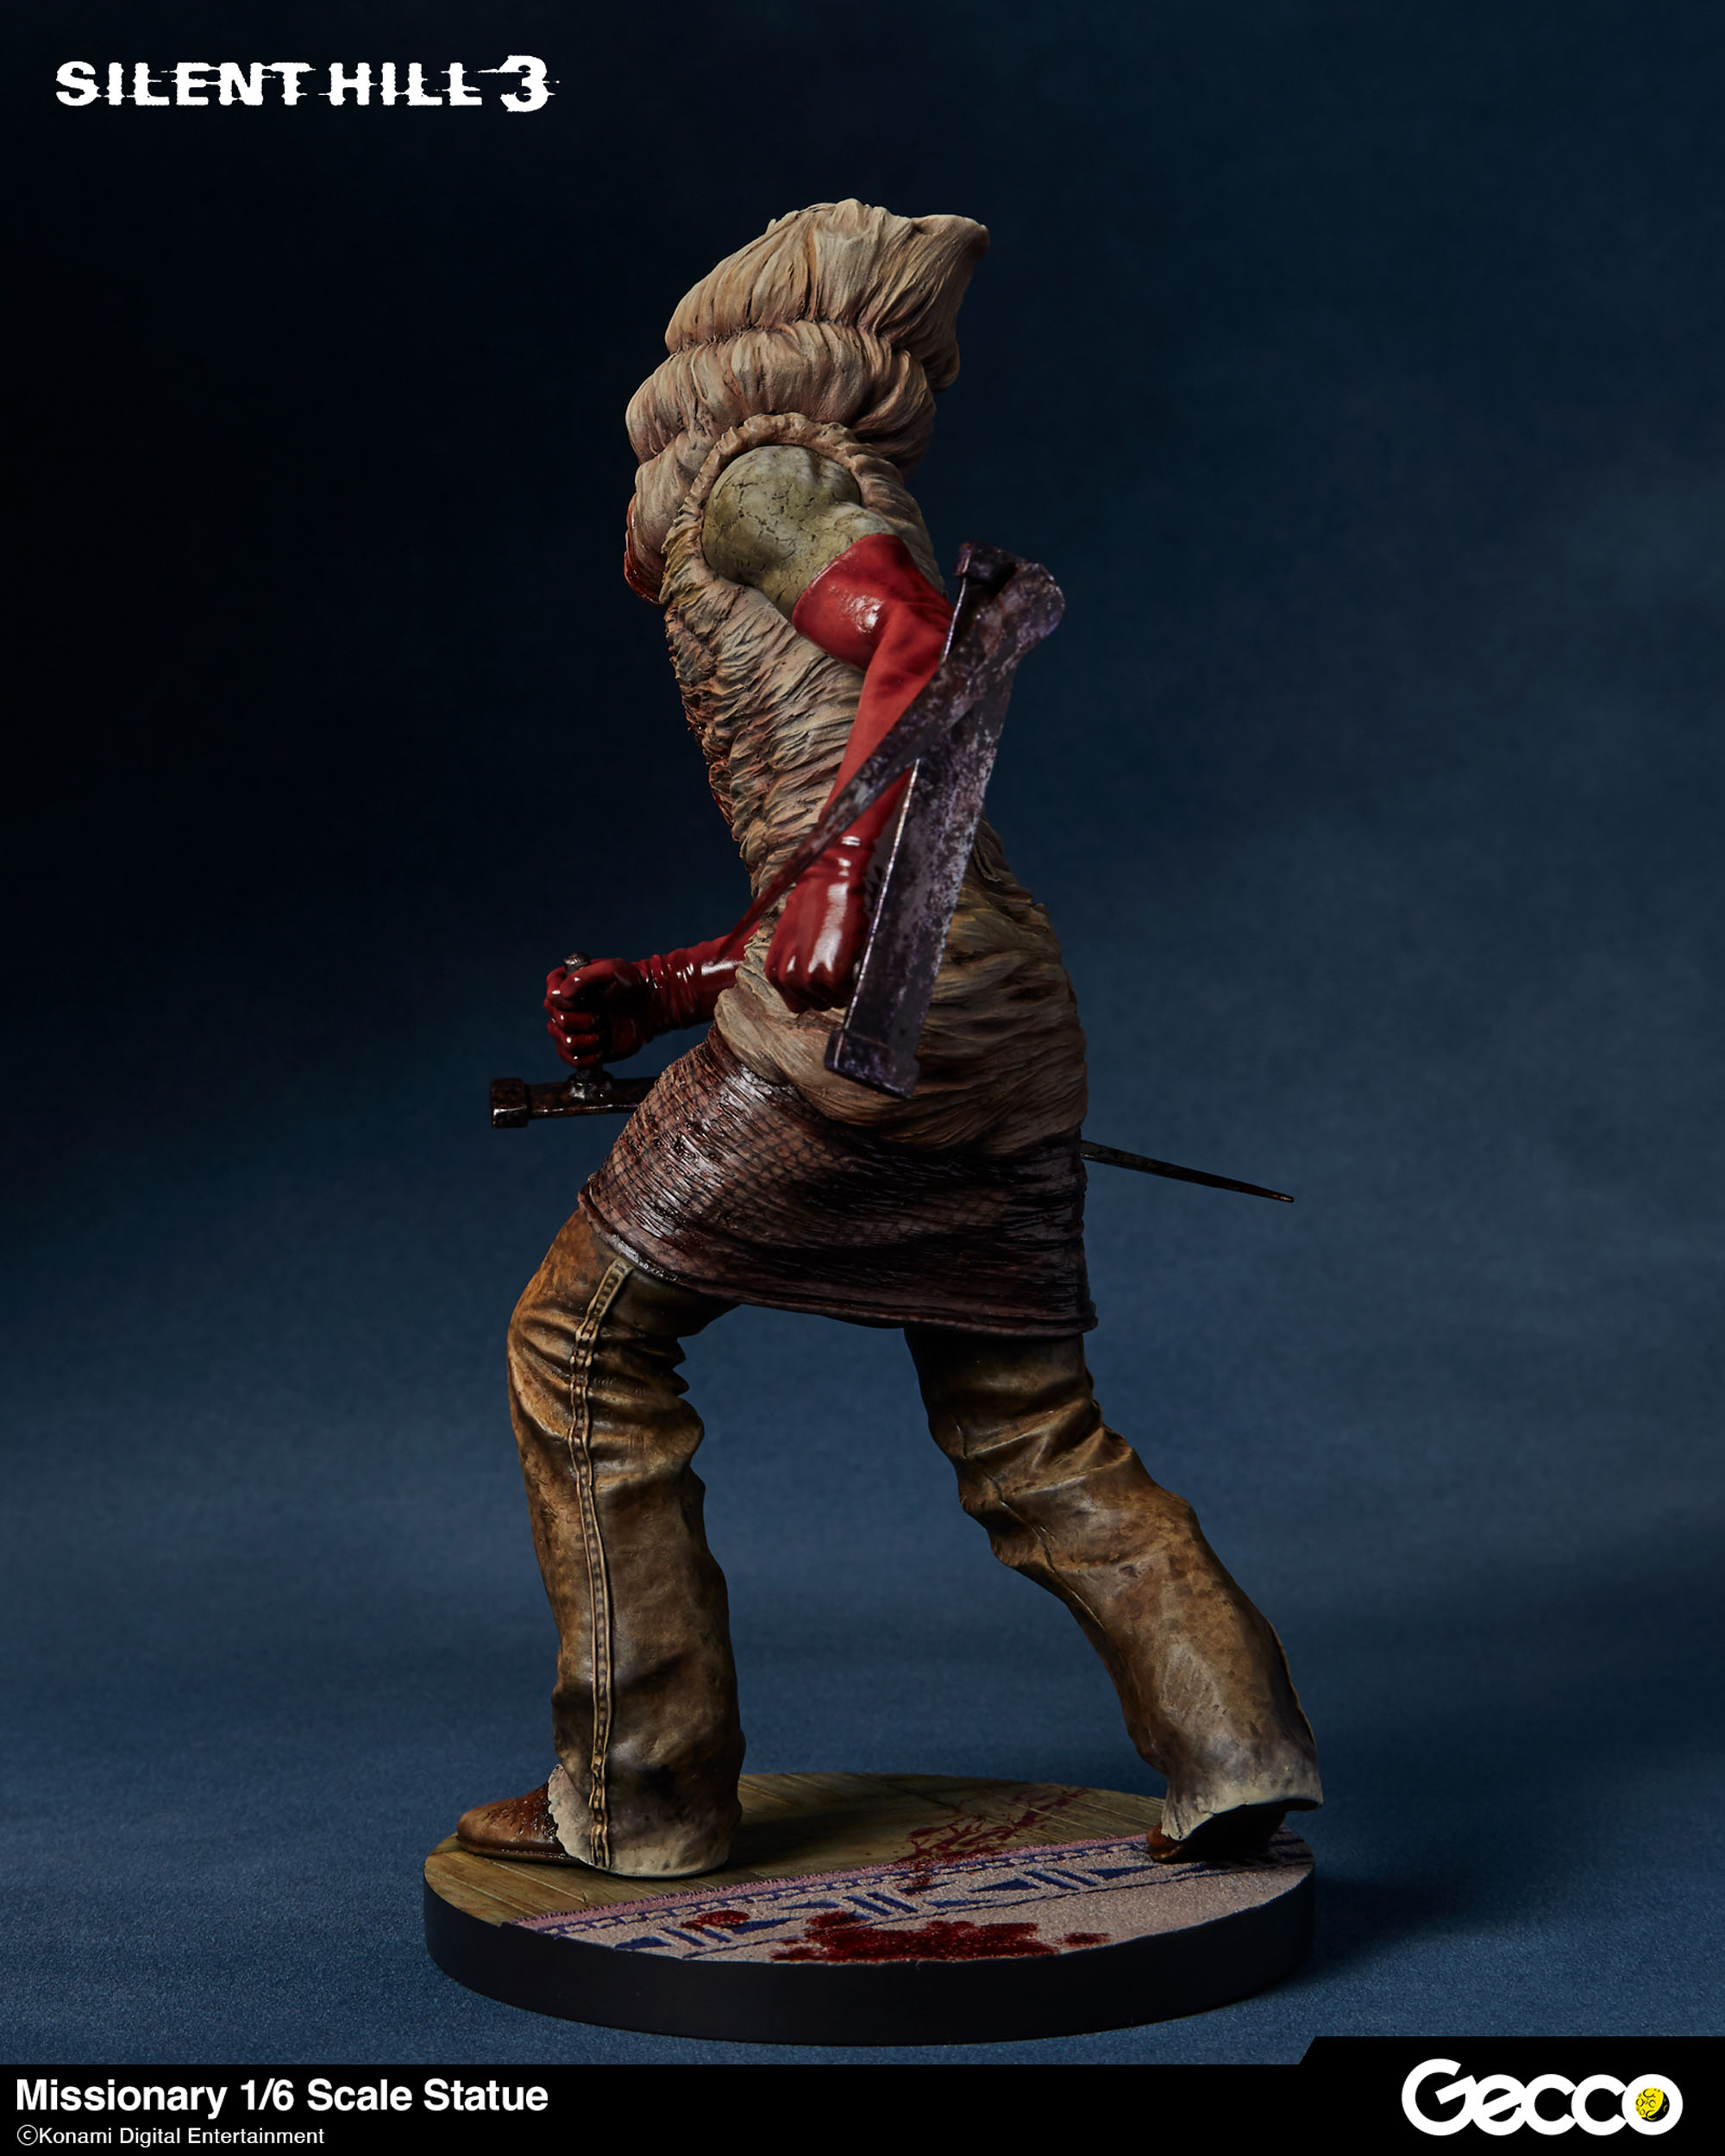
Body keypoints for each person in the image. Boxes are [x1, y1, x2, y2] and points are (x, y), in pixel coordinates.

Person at [455, 203, 1321, 1879]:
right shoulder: (836, 487)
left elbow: (926, 651)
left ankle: (644, 1800)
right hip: (995, 1021)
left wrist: (839, 895)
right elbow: (871, 867)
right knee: (1028, 1431)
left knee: (581, 1349)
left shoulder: (754, 476)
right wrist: (679, 981)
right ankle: (1235, 1748)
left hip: (858, 1028)